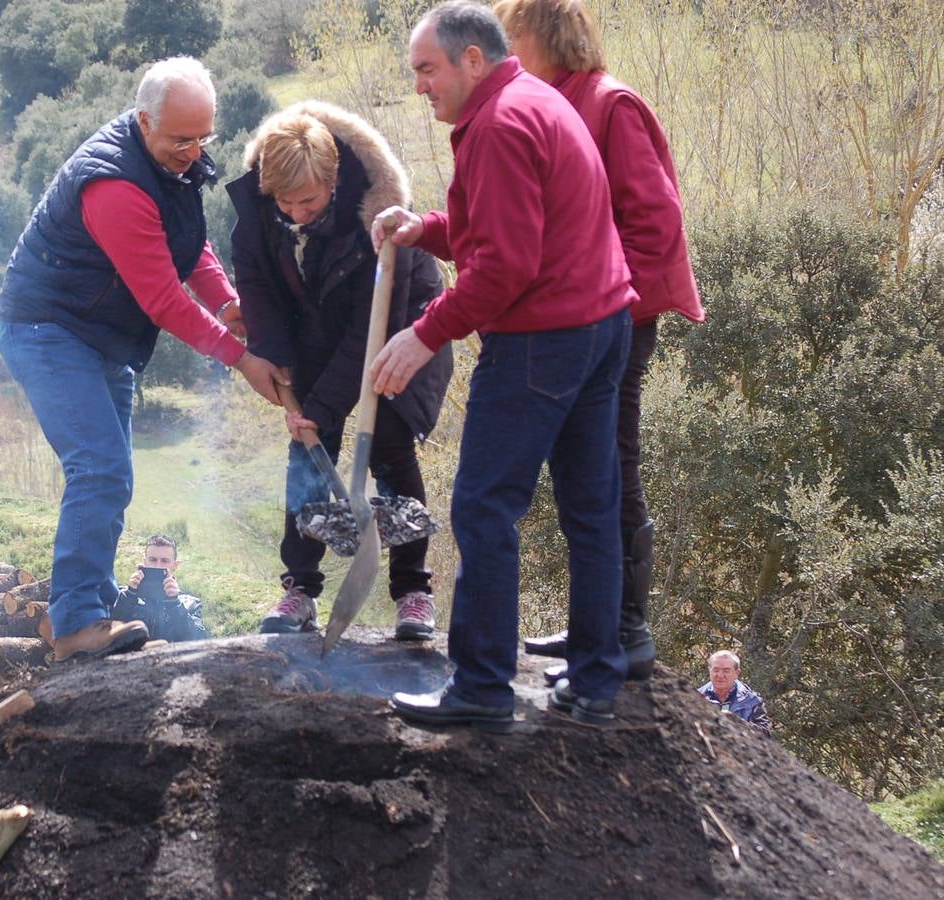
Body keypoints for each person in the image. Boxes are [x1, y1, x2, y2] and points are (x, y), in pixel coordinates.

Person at [375, 2, 637, 731]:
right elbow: (511, 223)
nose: (420, 86)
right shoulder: (536, 101)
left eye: (427, 69)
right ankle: (593, 683)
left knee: (483, 509)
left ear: (471, 60)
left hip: (540, 342)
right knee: (590, 510)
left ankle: (482, 688)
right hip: (601, 325)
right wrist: (424, 228)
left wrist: (424, 334)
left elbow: (505, 266)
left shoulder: (495, 124)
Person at [0, 56, 287, 664]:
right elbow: (161, 298)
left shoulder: (167, 162)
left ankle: (86, 612)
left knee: (113, 476)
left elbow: (189, 244)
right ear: (143, 120)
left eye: (204, 137)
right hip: (49, 329)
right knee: (100, 467)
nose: (194, 150)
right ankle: (77, 623)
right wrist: (240, 358)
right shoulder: (115, 184)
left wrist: (229, 302)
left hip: (103, 336)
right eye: (182, 138)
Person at [495, 0, 706, 684]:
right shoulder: (551, 101)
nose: (501, 52)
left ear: (544, 38)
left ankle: (624, 631)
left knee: (610, 464)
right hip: (573, 322)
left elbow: (654, 225)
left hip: (612, 321)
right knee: (581, 470)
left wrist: (609, 312)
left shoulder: (610, 105)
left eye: (510, 37)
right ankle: (598, 623)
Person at [227, 102, 454, 639]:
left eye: (306, 200)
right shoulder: (260, 215)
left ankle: (413, 592)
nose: (295, 211)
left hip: (398, 326)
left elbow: (365, 337)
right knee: (307, 447)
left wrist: (326, 403)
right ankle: (299, 590)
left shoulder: (379, 220)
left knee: (390, 441)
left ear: (333, 181)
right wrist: (277, 359)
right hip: (311, 322)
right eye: (283, 201)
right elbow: (258, 292)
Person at [109, 535, 209, 643]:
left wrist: (174, 604)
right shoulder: (123, 596)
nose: (157, 566)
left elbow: (198, 640)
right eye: (152, 560)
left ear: (175, 565)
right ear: (144, 561)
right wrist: (130, 595)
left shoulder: (190, 603)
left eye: (165, 561)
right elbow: (107, 634)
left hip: (172, 659)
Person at [698, 650, 773, 735]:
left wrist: (737, 722)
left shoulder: (752, 700)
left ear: (737, 673)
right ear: (709, 671)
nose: (720, 675)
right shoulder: (696, 697)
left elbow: (765, 735)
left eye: (726, 671)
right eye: (716, 670)